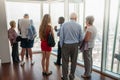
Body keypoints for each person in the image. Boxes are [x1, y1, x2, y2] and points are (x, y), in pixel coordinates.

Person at [60, 13, 83, 80]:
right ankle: (72, 75)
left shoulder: (64, 25)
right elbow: (81, 38)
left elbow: (61, 36)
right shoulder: (79, 26)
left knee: (65, 61)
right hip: (75, 45)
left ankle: (65, 77)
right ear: (76, 18)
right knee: (74, 61)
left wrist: (62, 46)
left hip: (65, 45)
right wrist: (78, 45)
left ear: (70, 18)